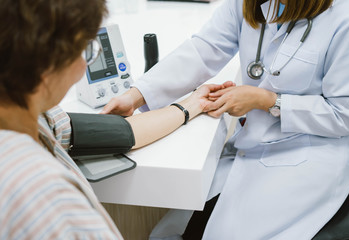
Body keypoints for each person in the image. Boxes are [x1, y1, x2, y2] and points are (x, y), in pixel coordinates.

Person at [102, 0, 349, 239]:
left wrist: (267, 100)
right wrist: (136, 95)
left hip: (311, 151)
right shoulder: (246, 3)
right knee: (168, 232)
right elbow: (204, 50)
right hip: (252, 143)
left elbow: (343, 114)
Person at [0, 0, 226, 239]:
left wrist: (191, 105)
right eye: (86, 50)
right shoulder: (47, 197)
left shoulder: (37, 119)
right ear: (46, 62)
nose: (83, 66)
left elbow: (123, 130)